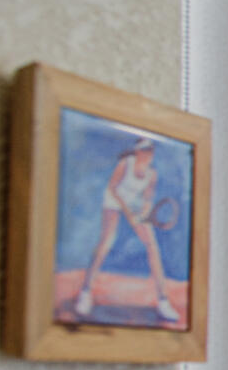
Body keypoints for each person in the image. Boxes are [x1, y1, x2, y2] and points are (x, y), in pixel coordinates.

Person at [71, 131, 183, 327]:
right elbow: (113, 188)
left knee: (152, 247)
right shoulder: (125, 164)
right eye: (143, 151)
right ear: (136, 152)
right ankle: (85, 292)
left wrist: (143, 211)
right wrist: (128, 213)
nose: (146, 155)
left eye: (149, 151)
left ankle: (163, 301)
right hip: (114, 200)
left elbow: (148, 199)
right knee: (106, 241)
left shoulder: (152, 174)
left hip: (133, 203)